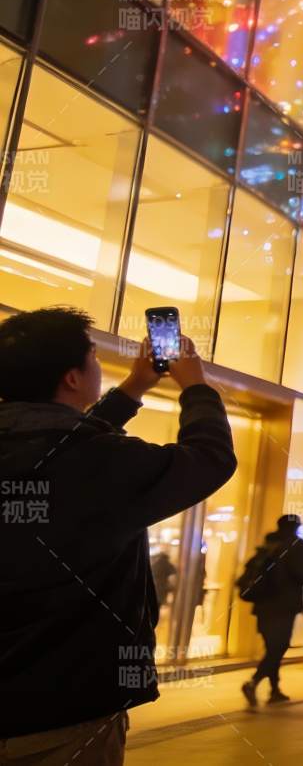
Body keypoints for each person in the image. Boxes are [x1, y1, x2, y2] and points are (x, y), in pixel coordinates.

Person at [0, 309, 235, 764]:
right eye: (92, 357)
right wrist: (196, 384)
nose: (98, 366)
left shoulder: (82, 457)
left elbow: (59, 446)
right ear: (73, 377)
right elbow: (209, 458)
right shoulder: (101, 463)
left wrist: (133, 389)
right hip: (67, 712)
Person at [239, 514, 303, 707]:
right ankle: (254, 682)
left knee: (273, 648)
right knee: (277, 648)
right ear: (295, 528)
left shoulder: (268, 546)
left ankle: (274, 690)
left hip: (263, 605)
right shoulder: (294, 548)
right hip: (284, 606)